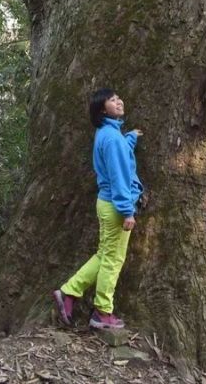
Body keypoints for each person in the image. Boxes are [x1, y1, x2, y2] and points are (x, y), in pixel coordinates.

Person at [52, 88, 143, 330]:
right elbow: (119, 175)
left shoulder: (108, 133)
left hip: (106, 202)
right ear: (103, 109)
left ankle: (69, 292)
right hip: (116, 204)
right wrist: (127, 211)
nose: (119, 101)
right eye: (112, 100)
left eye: (118, 97)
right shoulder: (112, 138)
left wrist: (130, 138)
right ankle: (103, 312)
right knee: (113, 260)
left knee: (104, 255)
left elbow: (118, 154)